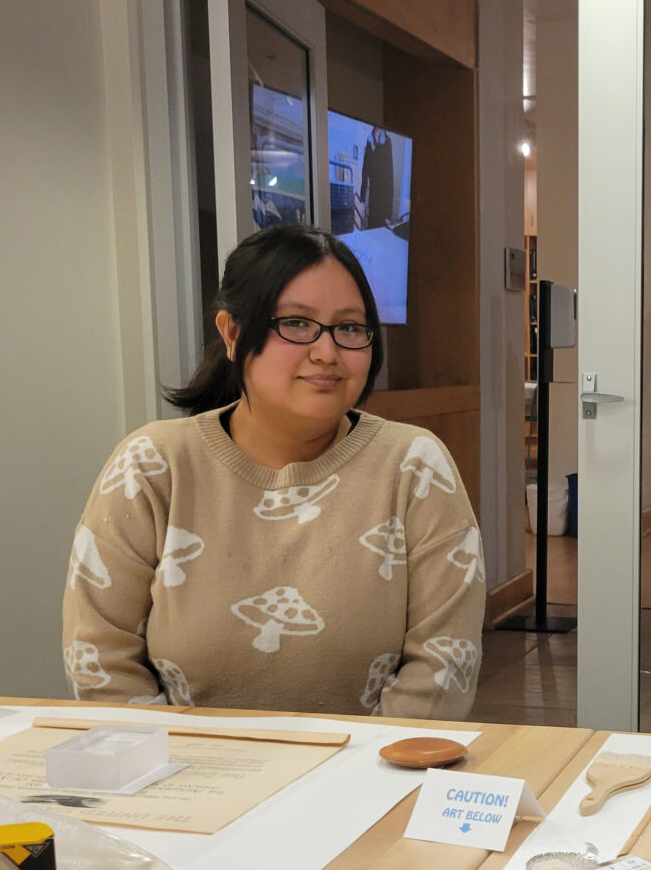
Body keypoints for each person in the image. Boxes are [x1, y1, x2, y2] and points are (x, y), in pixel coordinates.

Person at [62, 223, 485, 717]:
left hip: (367, 782)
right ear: (233, 333)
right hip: (186, 778)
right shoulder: (153, 466)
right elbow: (100, 658)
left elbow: (443, 665)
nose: (327, 352)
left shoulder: (414, 466)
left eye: (349, 328)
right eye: (297, 324)